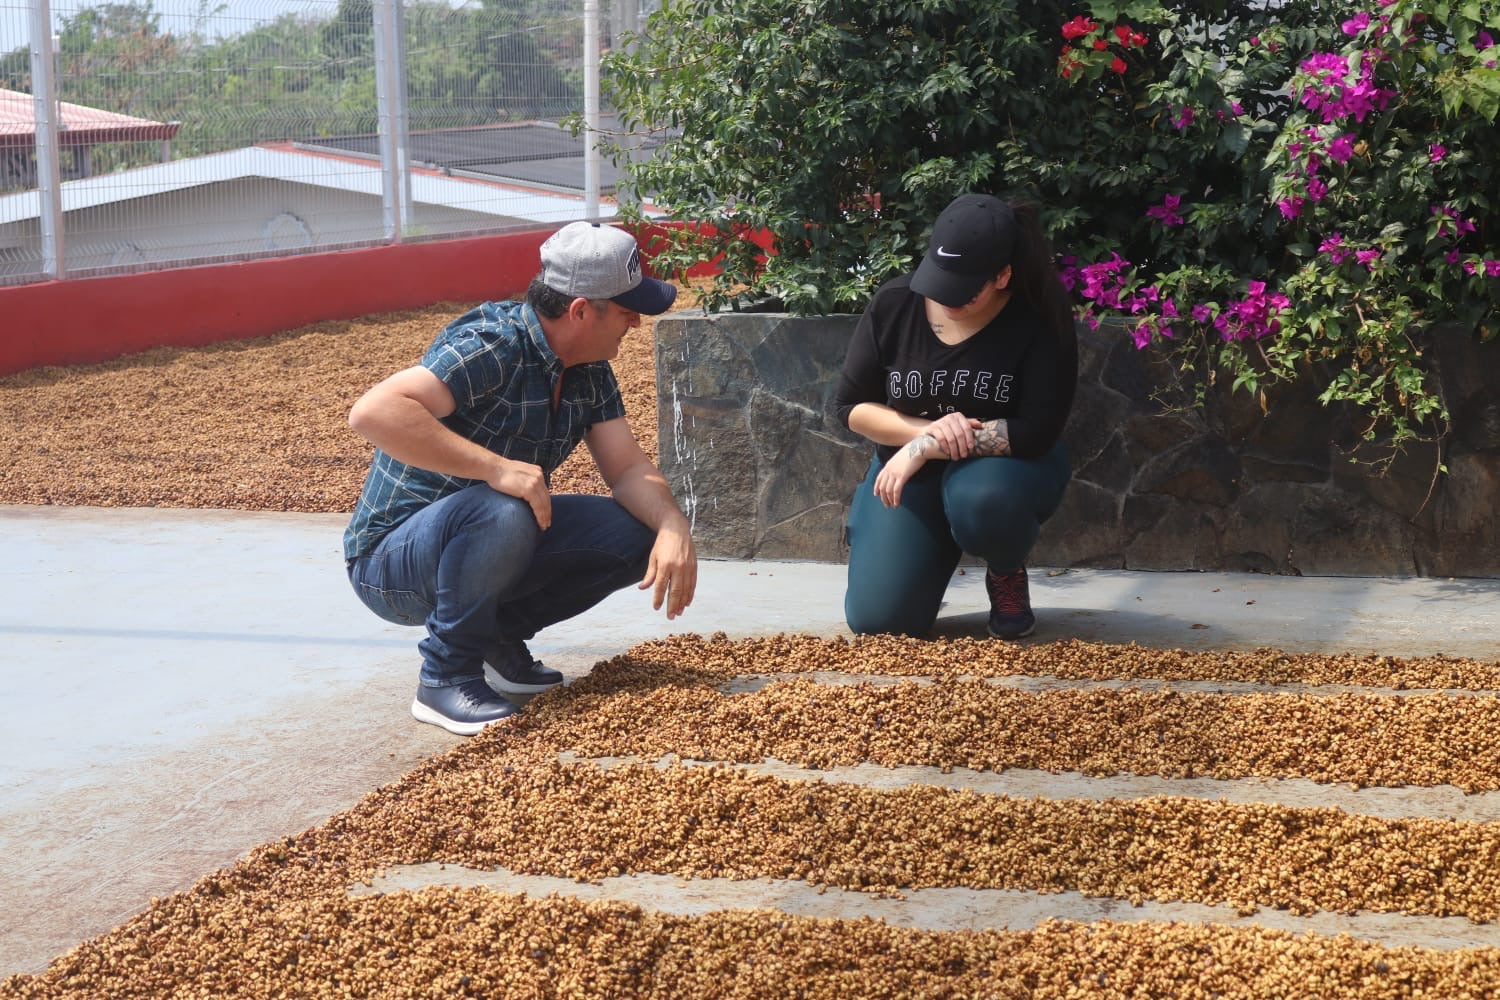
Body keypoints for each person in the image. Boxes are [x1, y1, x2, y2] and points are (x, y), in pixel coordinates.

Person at [342, 221, 698, 735]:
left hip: (484, 537)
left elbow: (627, 469)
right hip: (391, 563)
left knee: (638, 532)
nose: (636, 323)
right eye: (627, 310)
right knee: (504, 506)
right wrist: (496, 468)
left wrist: (672, 525)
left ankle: (495, 637)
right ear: (581, 311)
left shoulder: (589, 367)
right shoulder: (493, 344)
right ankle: (445, 678)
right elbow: (374, 412)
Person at [833, 192, 1077, 640]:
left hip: (1003, 473)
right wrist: (927, 432)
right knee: (879, 622)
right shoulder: (895, 302)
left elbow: (1038, 430)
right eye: (939, 280)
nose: (947, 298)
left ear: (1002, 275)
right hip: (910, 474)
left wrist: (927, 446)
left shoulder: (1040, 317)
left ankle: (1005, 569)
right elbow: (850, 407)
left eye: (964, 290)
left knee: (982, 500)